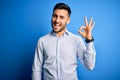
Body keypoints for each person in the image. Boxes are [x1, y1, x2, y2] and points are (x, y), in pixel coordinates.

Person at [32, 3, 96, 80]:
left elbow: (90, 66)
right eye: (55, 16)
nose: (57, 20)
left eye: (61, 17)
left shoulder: (76, 40)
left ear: (68, 20)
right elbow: (36, 69)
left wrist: (89, 40)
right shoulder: (42, 41)